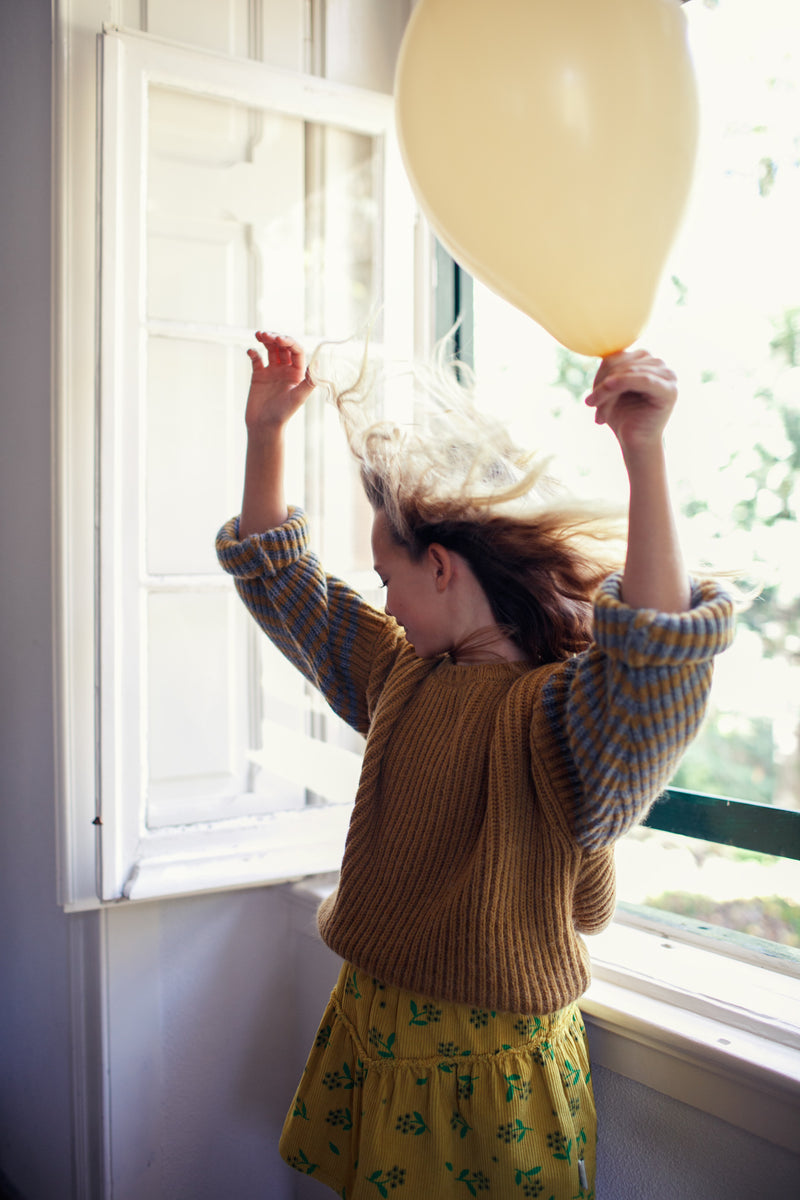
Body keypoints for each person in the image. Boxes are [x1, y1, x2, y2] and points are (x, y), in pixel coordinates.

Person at [216, 330, 735, 1199]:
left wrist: (645, 453)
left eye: (389, 578)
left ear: (443, 568)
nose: (381, 599)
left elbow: (656, 661)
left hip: (487, 1067)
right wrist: (266, 433)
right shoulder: (398, 673)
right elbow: (283, 583)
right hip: (375, 1018)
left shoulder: (557, 720)